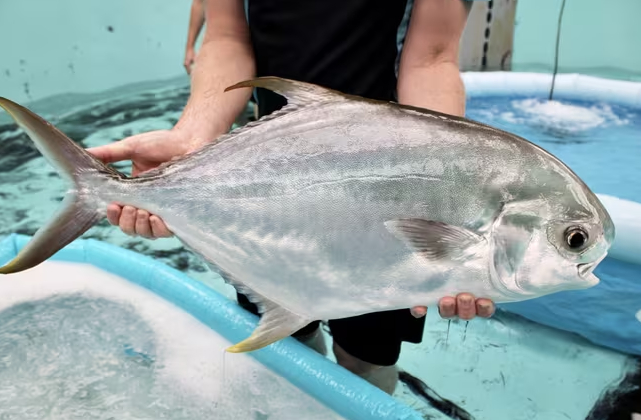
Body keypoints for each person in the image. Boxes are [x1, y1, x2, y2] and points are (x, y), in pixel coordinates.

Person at [88, 0, 496, 395]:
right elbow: (227, 36)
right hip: (264, 175)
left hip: (388, 186)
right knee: (285, 339)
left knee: (368, 353)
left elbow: (433, 56)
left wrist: (445, 195)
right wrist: (192, 137)